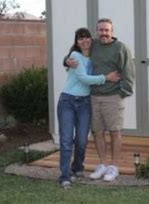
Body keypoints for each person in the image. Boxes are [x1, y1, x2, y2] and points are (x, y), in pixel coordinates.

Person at [65, 18, 135, 182]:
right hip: (93, 97)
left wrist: (122, 93)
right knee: (97, 132)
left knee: (115, 131)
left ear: (112, 31)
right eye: (101, 30)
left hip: (113, 98)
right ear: (97, 31)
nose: (103, 33)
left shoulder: (120, 48)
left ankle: (114, 166)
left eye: (106, 30)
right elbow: (75, 50)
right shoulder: (93, 44)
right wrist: (66, 60)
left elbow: (129, 73)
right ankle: (103, 164)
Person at [58, 27, 120, 189]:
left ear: (91, 40)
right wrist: (106, 78)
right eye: (80, 38)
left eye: (87, 38)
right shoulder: (74, 56)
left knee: (82, 140)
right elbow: (84, 78)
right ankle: (65, 176)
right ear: (76, 42)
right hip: (68, 101)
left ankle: (77, 168)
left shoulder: (94, 54)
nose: (84, 41)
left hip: (85, 102)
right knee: (66, 141)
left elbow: (109, 44)